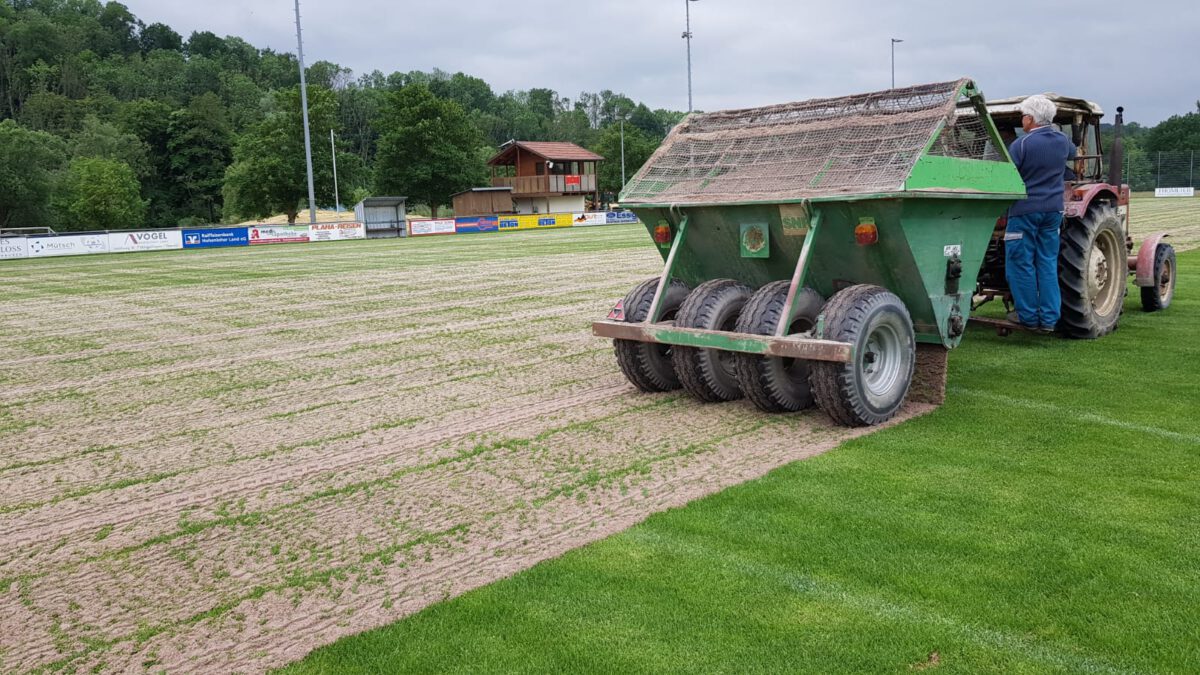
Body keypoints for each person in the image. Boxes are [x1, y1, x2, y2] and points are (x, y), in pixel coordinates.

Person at [1005, 94, 1076, 332]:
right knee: (1046, 262)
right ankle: (1048, 319)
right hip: (1053, 211)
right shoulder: (1063, 141)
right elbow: (1073, 155)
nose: (1022, 121)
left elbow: (1008, 173)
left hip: (1024, 211)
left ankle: (1027, 316)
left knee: (1020, 262)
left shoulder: (1022, 144)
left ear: (1031, 119)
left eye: (1023, 116)